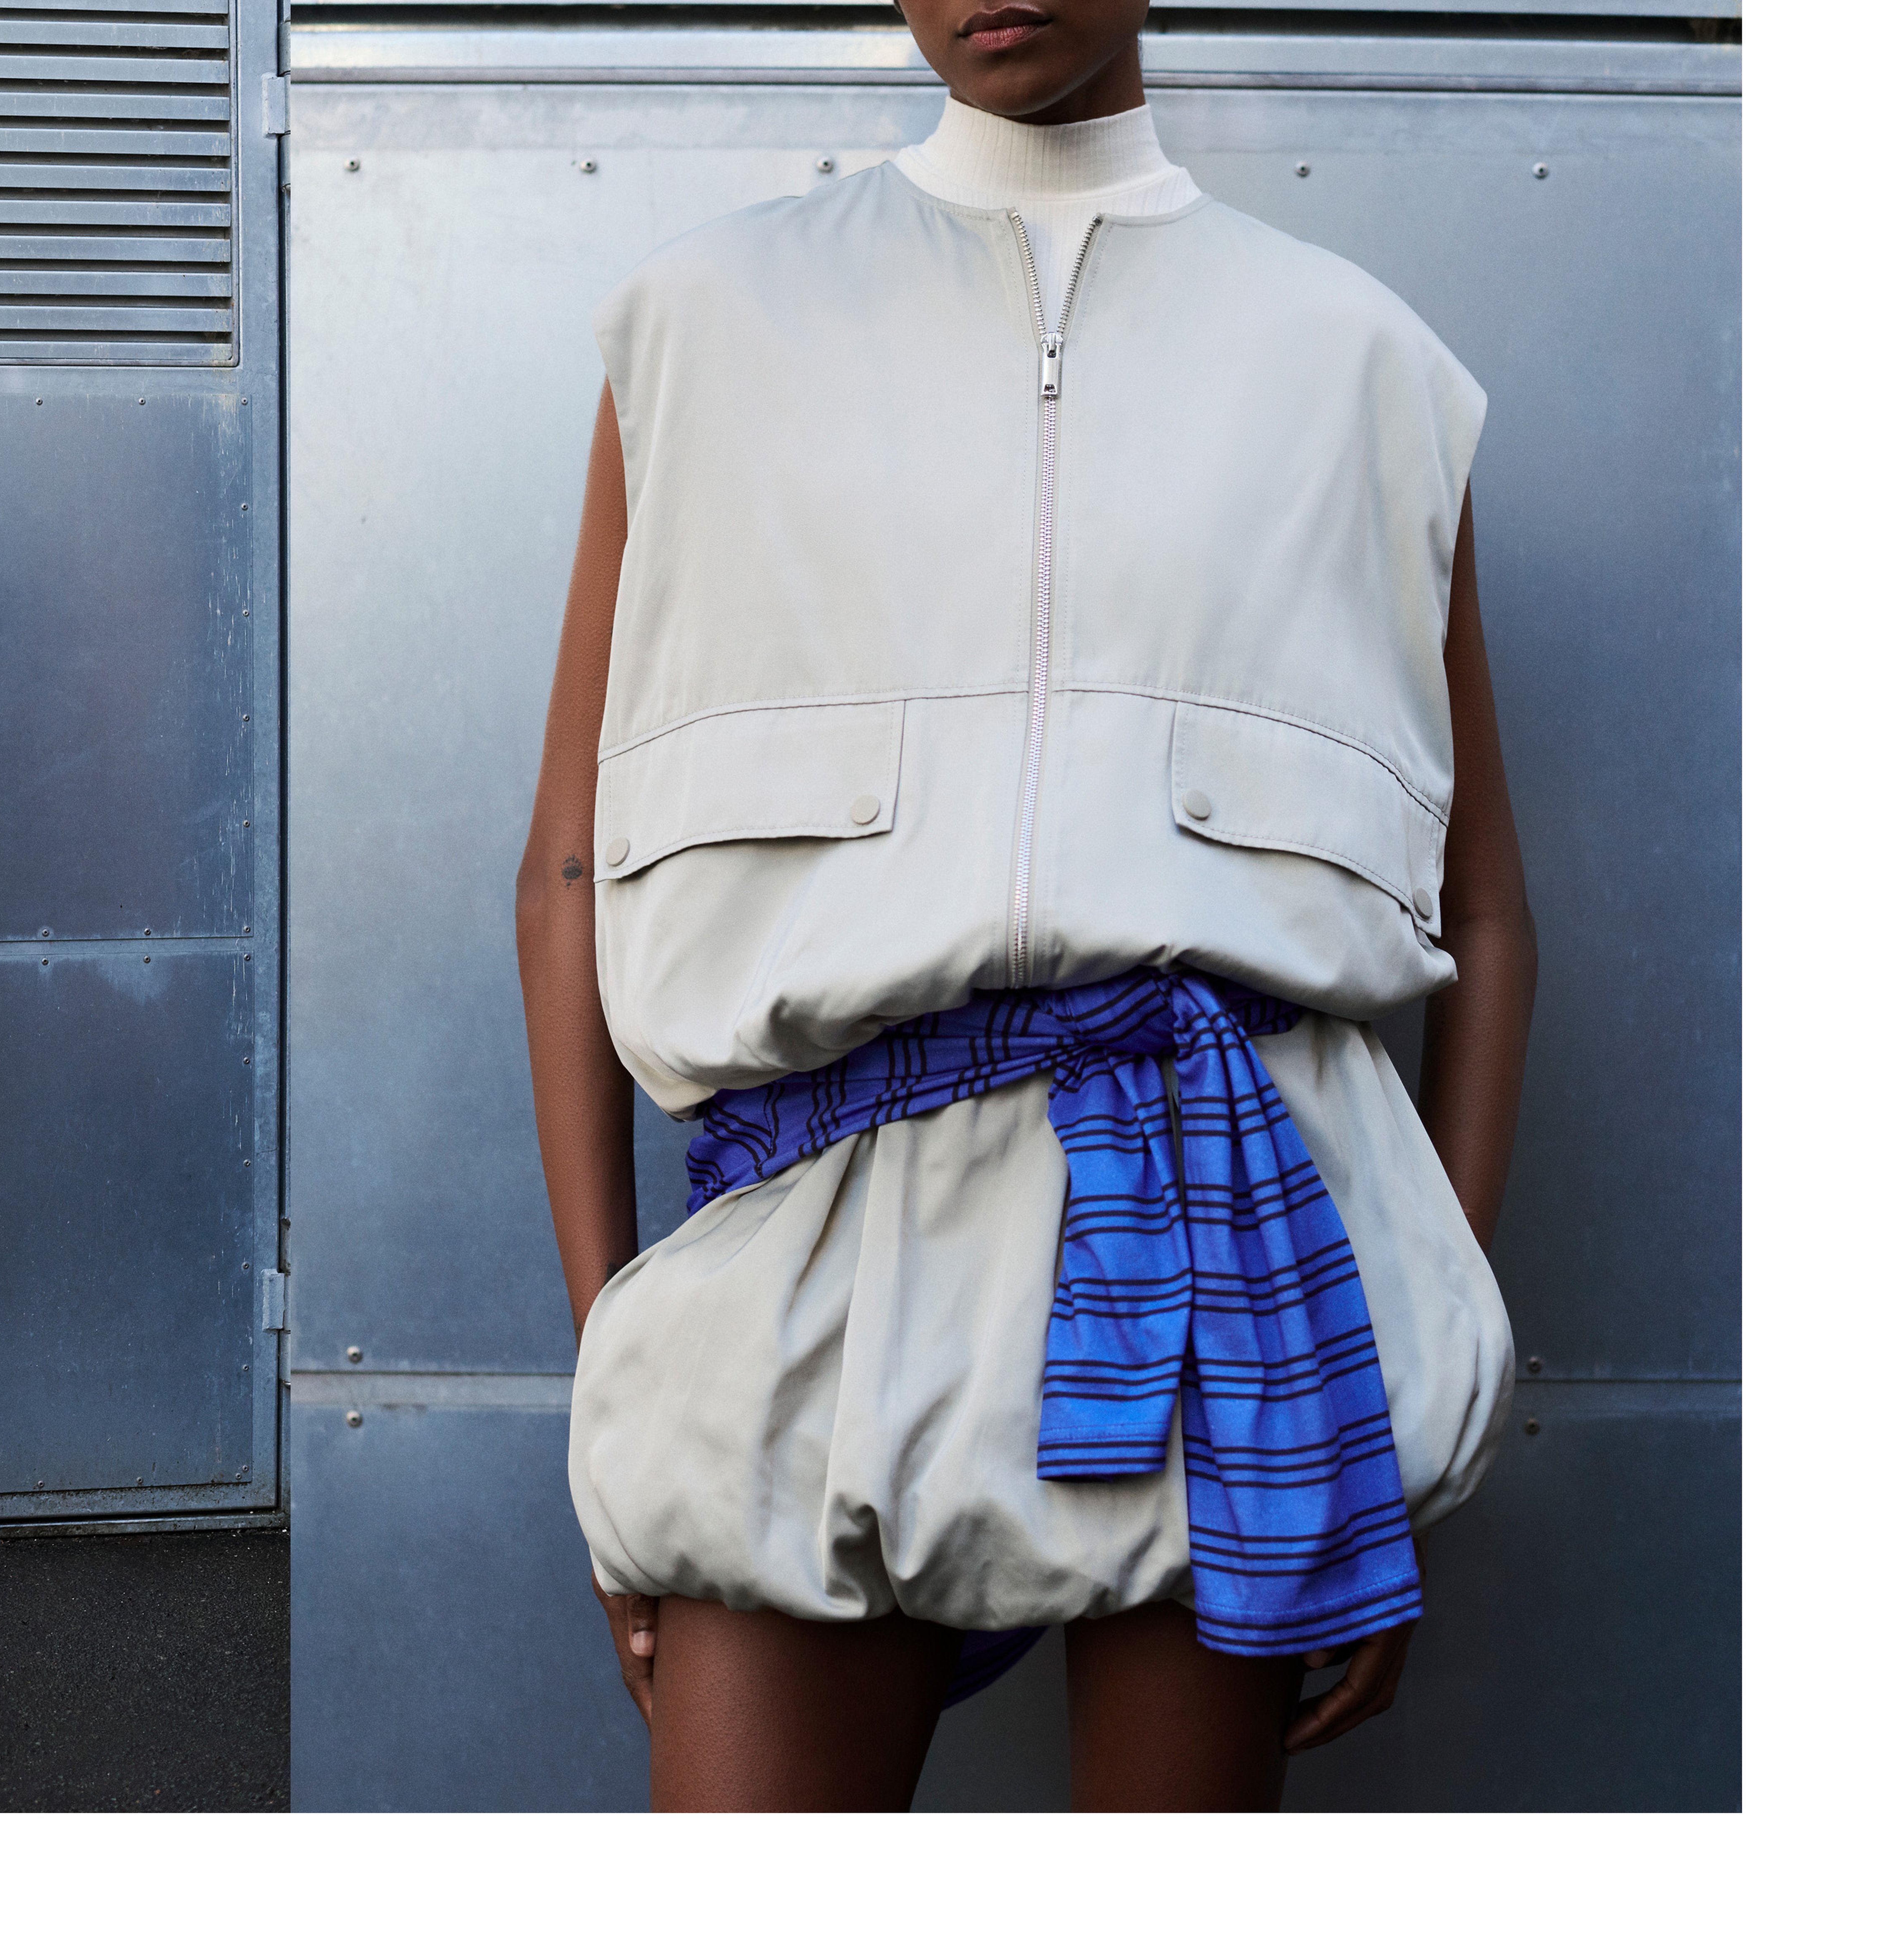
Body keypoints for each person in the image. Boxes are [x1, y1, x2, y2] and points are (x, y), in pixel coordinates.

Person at [513, 0, 1537, 1810]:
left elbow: (1487, 911)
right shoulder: (700, 331)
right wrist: (621, 1367)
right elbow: (569, 870)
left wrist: (1391, 1385)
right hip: (815, 1259)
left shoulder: (1365, 365)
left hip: (1239, 1272)